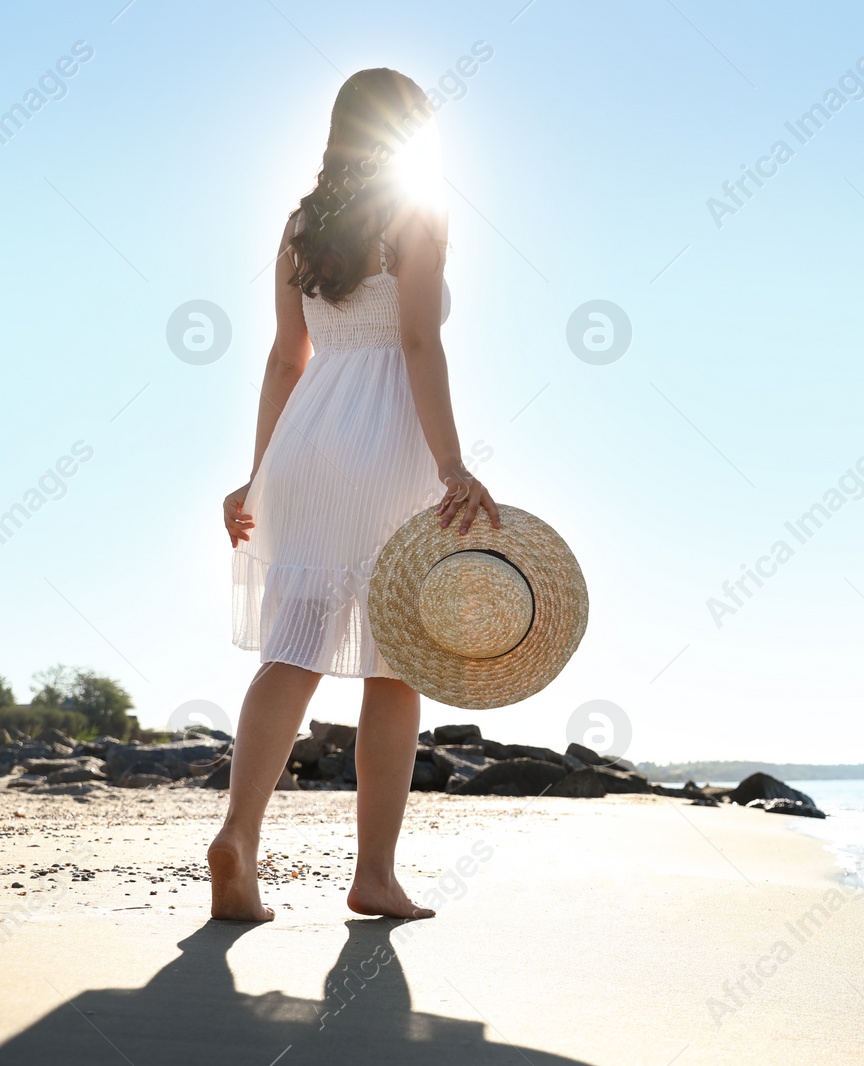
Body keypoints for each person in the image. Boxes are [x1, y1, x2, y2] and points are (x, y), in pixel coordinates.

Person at [210, 68, 500, 922]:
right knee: (396, 664)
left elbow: (283, 361)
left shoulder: (302, 226)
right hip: (388, 446)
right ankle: (374, 875)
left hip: (306, 441)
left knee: (292, 648)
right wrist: (452, 464)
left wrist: (259, 475)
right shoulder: (418, 211)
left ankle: (239, 836)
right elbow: (416, 341)